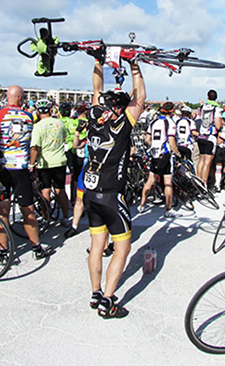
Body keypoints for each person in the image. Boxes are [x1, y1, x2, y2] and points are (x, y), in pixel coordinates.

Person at [83, 58, 145, 319]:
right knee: (122, 249)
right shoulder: (122, 126)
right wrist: (135, 66)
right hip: (111, 196)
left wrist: (99, 62)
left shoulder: (95, 118)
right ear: (120, 108)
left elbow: (96, 89)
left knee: (97, 244)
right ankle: (108, 301)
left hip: (90, 194)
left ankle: (96, 292)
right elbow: (140, 97)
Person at [0, 85, 54, 260]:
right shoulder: (28, 117)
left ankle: (2, 251)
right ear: (21, 98)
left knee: (3, 212)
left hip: (2, 169)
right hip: (21, 168)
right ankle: (37, 248)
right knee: (27, 210)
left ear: (7, 97)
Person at [31, 99, 71, 227]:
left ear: (37, 112)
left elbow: (35, 147)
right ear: (50, 110)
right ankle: (65, 217)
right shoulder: (59, 123)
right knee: (60, 190)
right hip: (59, 160)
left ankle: (45, 218)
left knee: (45, 191)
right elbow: (64, 137)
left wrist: (31, 164)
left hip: (45, 163)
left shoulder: (38, 126)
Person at [138, 102, 180, 218]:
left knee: (150, 180)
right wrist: (178, 154)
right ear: (172, 111)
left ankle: (141, 205)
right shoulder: (170, 123)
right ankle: (168, 208)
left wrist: (154, 146)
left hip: (155, 154)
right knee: (168, 183)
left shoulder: (153, 122)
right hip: (165, 154)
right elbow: (171, 142)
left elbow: (147, 139)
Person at [196, 89, 222, 186]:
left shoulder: (202, 107)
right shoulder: (217, 108)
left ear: (207, 97)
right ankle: (204, 183)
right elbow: (218, 125)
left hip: (201, 136)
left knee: (201, 159)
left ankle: (198, 181)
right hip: (210, 137)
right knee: (207, 162)